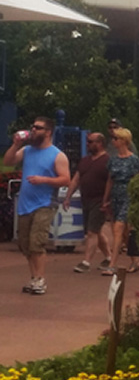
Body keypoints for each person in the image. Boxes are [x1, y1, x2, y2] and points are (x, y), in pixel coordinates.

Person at [3, 116, 70, 294]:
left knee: (36, 243)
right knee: (25, 244)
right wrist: (16, 145)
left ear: (48, 132)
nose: (33, 130)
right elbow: (7, 162)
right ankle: (33, 278)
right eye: (32, 127)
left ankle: (41, 280)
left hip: (45, 203)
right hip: (26, 203)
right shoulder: (27, 150)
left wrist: (44, 179)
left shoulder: (57, 155)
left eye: (38, 128)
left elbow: (66, 179)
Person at [63, 132, 112, 272]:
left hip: (100, 200)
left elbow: (111, 181)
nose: (87, 144)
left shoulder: (108, 161)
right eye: (87, 141)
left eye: (90, 141)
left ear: (99, 143)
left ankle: (86, 262)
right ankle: (108, 256)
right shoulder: (85, 160)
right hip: (86, 199)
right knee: (96, 230)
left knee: (91, 232)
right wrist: (68, 197)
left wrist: (108, 201)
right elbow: (76, 179)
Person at [101, 127, 139, 275]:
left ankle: (112, 264)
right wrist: (105, 199)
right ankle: (135, 261)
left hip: (129, 195)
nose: (113, 141)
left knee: (118, 228)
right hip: (116, 195)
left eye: (116, 139)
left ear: (124, 141)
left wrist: (137, 191)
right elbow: (109, 180)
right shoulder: (113, 160)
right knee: (124, 232)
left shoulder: (133, 159)